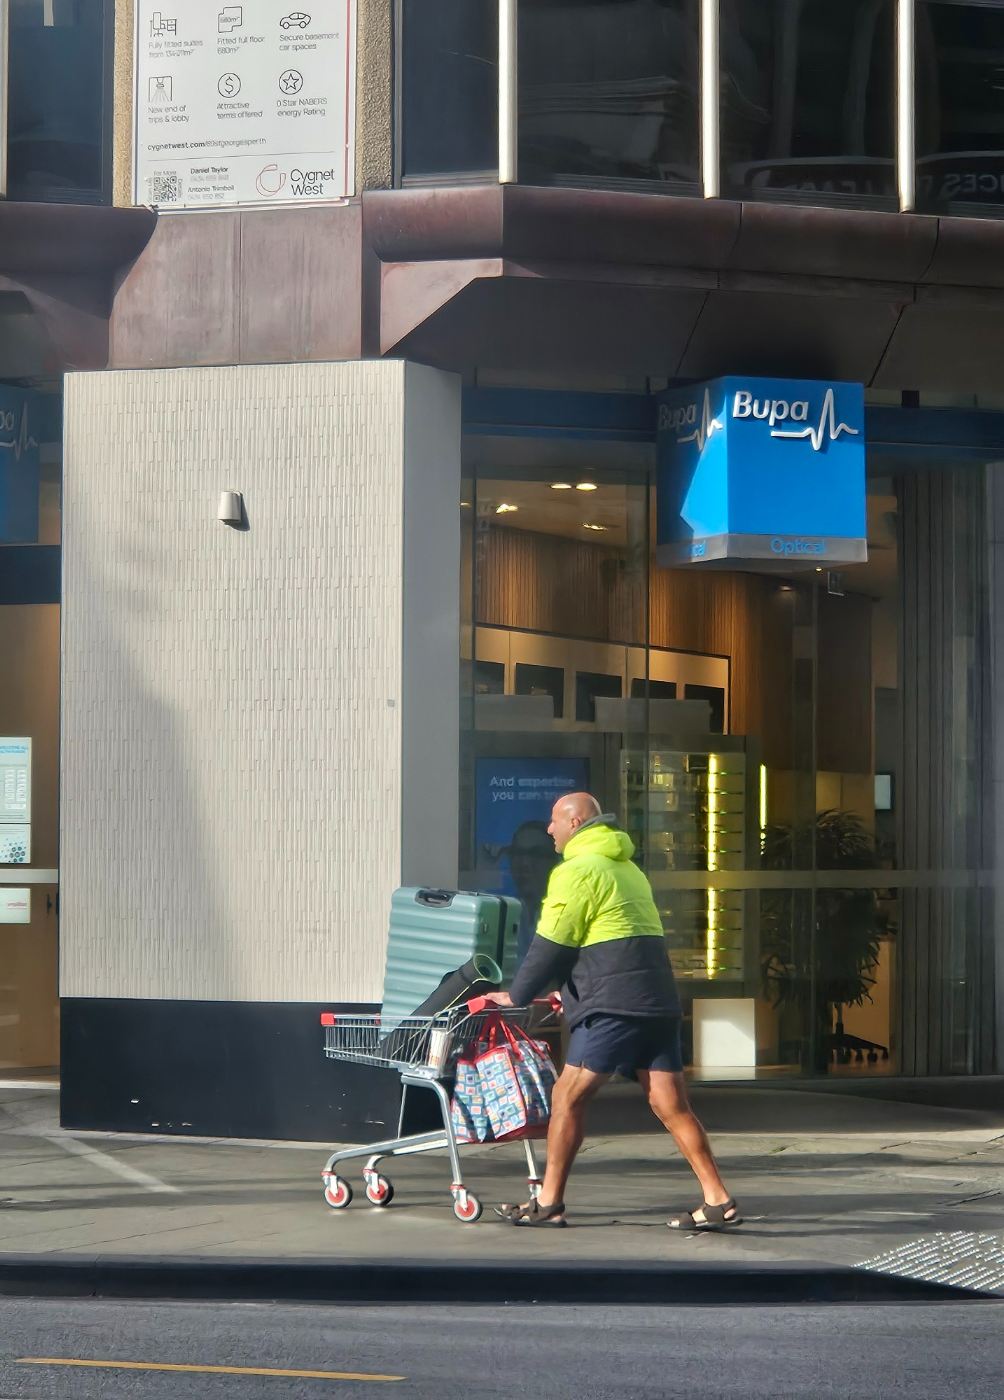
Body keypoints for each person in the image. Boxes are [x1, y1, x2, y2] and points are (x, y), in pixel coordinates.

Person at [487, 791, 740, 1231]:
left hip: (613, 1008)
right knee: (669, 1103)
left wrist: (518, 994)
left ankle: (548, 1202)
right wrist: (570, 989)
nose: (549, 828)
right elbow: (609, 941)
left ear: (575, 822)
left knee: (567, 1096)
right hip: (656, 1002)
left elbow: (553, 943)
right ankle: (718, 1199)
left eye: (555, 820)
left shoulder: (577, 870)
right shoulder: (628, 869)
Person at [505, 820, 560, 969]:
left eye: (536, 854)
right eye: (518, 853)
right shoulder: (504, 910)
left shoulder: (563, 911)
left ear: (555, 861)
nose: (525, 863)